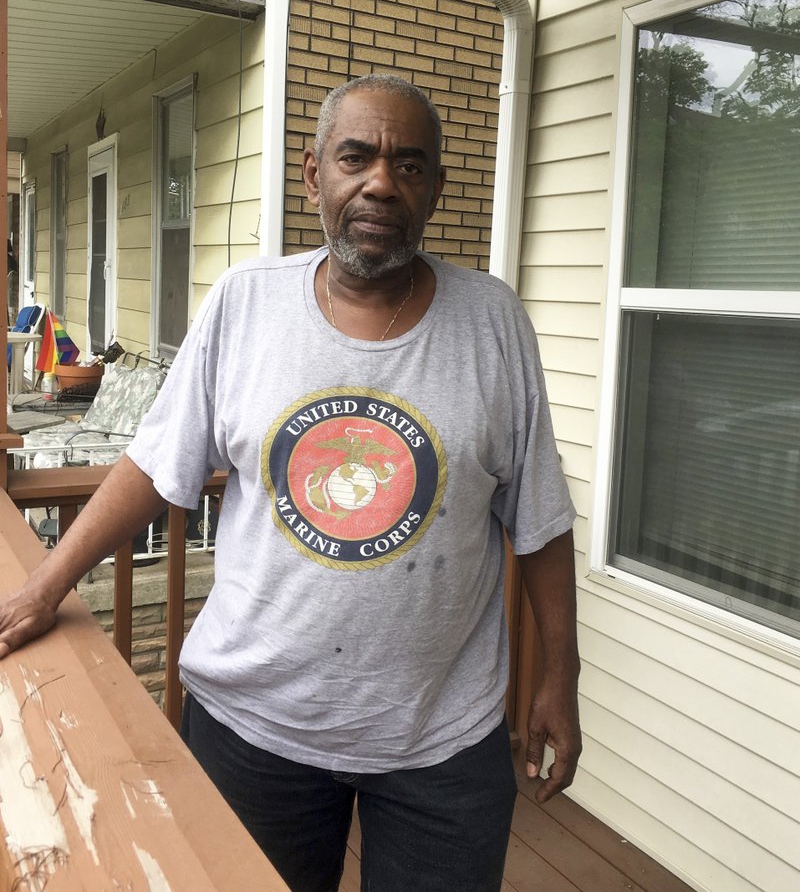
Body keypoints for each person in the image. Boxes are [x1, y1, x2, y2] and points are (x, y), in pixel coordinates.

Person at [0, 75, 581, 892]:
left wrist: (560, 676)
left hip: (441, 743)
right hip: (254, 727)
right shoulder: (246, 304)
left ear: (435, 188)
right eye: (358, 156)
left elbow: (542, 522)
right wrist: (45, 585)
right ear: (314, 175)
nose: (383, 180)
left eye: (409, 165)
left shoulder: (493, 322)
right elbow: (152, 468)